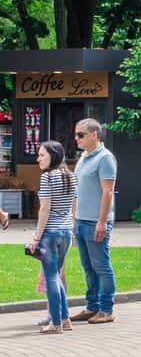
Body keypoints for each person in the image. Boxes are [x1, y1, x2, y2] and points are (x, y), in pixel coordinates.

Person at [69, 118, 117, 324]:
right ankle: (92, 306)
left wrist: (102, 222)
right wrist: (73, 218)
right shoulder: (84, 158)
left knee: (101, 266)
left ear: (94, 134)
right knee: (88, 267)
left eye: (81, 135)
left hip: (94, 221)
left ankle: (106, 309)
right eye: (76, 135)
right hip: (81, 220)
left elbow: (107, 192)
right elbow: (77, 191)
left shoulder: (105, 158)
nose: (76, 139)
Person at [28, 140, 75, 333]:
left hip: (50, 233)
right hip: (65, 233)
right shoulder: (71, 176)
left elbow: (45, 208)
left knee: (51, 279)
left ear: (53, 157)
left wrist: (36, 238)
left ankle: (55, 323)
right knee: (57, 275)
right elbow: (74, 206)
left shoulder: (47, 178)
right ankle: (65, 319)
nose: (38, 159)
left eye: (42, 155)